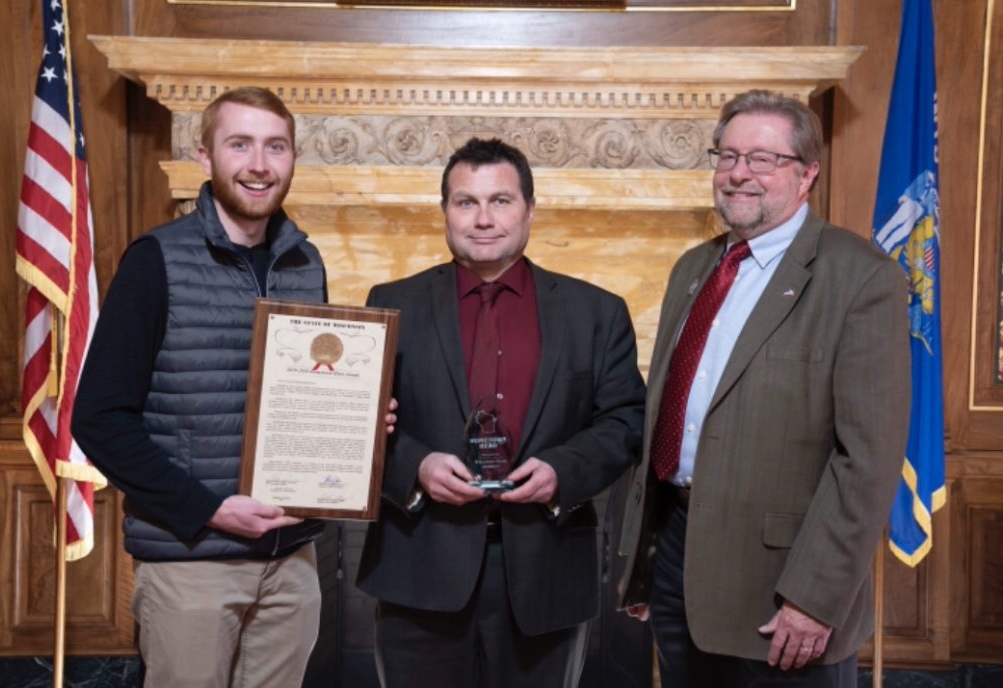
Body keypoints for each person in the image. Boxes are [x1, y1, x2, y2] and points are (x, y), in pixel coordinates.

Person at [616, 89, 911, 688]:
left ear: (807, 174)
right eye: (727, 157)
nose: (738, 174)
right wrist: (645, 564)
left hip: (783, 585)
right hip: (679, 558)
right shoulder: (694, 268)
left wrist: (815, 596)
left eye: (762, 159)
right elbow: (664, 418)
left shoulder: (860, 278)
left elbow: (869, 459)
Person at [356, 137, 645, 688]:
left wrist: (563, 470)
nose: (483, 219)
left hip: (547, 572)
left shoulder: (596, 312)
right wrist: (415, 467)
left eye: (501, 201)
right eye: (466, 202)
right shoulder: (391, 303)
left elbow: (624, 421)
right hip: (420, 566)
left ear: (530, 209)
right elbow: (363, 423)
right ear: (445, 212)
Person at [73, 86, 330, 688]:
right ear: (204, 157)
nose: (259, 164)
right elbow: (100, 419)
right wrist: (210, 509)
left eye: (276, 146)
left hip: (292, 560)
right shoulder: (154, 260)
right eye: (239, 144)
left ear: (293, 158)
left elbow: (307, 396)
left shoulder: (306, 262)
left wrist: (363, 420)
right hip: (192, 561)